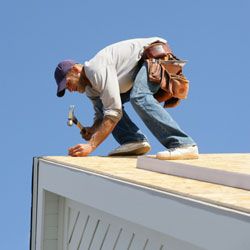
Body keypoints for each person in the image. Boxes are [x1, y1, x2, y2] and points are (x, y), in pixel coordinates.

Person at [54, 37, 199, 160]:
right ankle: (133, 141)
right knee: (105, 107)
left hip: (154, 56)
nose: (70, 90)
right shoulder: (91, 90)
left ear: (75, 70)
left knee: (139, 96)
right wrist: (92, 130)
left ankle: (183, 144)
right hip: (136, 70)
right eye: (66, 89)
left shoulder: (95, 69)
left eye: (67, 84)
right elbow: (102, 116)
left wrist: (91, 145)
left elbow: (114, 112)